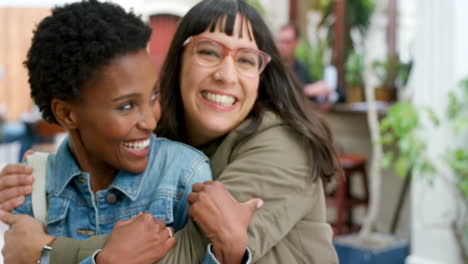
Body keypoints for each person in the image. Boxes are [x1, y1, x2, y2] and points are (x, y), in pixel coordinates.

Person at [0, 0, 341, 263]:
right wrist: (43, 176)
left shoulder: (281, 142)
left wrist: (45, 250)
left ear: (261, 76)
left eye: (246, 60)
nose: (226, 74)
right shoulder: (157, 141)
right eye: (209, 52)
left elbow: (184, 255)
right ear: (178, 62)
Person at [277, 23, 332, 99]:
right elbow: (278, 91)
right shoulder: (273, 66)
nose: (283, 46)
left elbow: (312, 94)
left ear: (297, 43)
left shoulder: (301, 68)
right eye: (281, 41)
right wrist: (306, 90)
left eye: (287, 42)